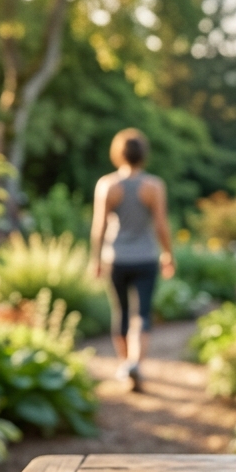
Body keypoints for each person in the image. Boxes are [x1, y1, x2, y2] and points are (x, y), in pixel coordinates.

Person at [89, 128, 175, 392]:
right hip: (146, 257)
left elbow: (99, 226)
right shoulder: (154, 186)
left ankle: (126, 364)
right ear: (143, 155)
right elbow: (161, 225)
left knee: (122, 312)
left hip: (116, 257)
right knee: (143, 313)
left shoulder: (107, 185)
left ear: (118, 154)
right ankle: (136, 363)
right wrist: (168, 253)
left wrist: (95, 259)